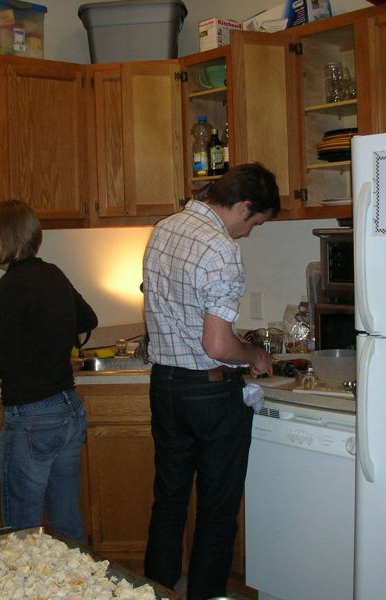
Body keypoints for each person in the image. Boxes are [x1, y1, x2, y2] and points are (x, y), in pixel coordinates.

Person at [141, 163, 280, 600]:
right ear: (242, 206)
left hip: (164, 385)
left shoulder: (164, 228)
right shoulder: (220, 249)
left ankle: (155, 592)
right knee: (217, 512)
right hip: (208, 392)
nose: (247, 233)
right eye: (253, 222)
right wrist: (254, 355)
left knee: (169, 503)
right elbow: (218, 345)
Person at [0, 200, 98, 542]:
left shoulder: (11, 286)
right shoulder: (52, 273)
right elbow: (88, 320)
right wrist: (54, 341)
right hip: (68, 409)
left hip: (32, 418)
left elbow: (1, 366)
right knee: (65, 520)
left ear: (9, 237)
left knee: (23, 530)